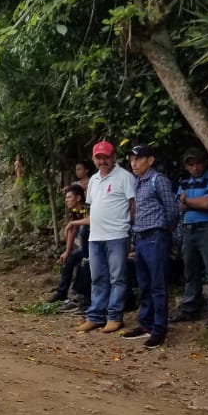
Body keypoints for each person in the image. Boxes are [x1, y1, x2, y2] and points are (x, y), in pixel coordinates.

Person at [121, 143, 179, 348]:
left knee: (157, 285)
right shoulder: (138, 182)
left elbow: (172, 210)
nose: (133, 163)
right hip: (141, 238)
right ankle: (145, 324)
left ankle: (159, 328)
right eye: (131, 159)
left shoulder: (158, 180)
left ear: (150, 160)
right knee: (144, 284)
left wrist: (164, 232)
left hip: (156, 237)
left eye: (138, 159)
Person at [77, 141, 136, 335]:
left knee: (117, 278)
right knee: (97, 278)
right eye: (98, 157)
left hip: (117, 235)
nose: (102, 161)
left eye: (106, 157)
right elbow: (91, 206)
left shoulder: (125, 177)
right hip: (96, 236)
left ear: (113, 157)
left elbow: (133, 206)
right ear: (94, 159)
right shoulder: (93, 180)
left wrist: (130, 230)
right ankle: (95, 316)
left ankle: (114, 317)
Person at [175, 148, 208, 325]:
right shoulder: (184, 183)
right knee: (190, 271)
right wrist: (189, 203)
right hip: (188, 229)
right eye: (191, 164)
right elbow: (179, 206)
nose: (195, 167)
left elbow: (207, 203)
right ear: (186, 166)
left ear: (204, 163)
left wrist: (187, 201)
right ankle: (190, 309)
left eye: (197, 163)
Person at [52, 183, 90, 310]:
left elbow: (91, 219)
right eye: (66, 198)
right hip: (83, 247)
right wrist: (67, 251)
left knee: (83, 265)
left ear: (78, 198)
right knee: (69, 259)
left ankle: (82, 297)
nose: (66, 200)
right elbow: (72, 230)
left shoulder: (86, 208)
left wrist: (72, 222)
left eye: (69, 197)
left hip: (93, 246)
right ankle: (61, 293)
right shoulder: (75, 210)